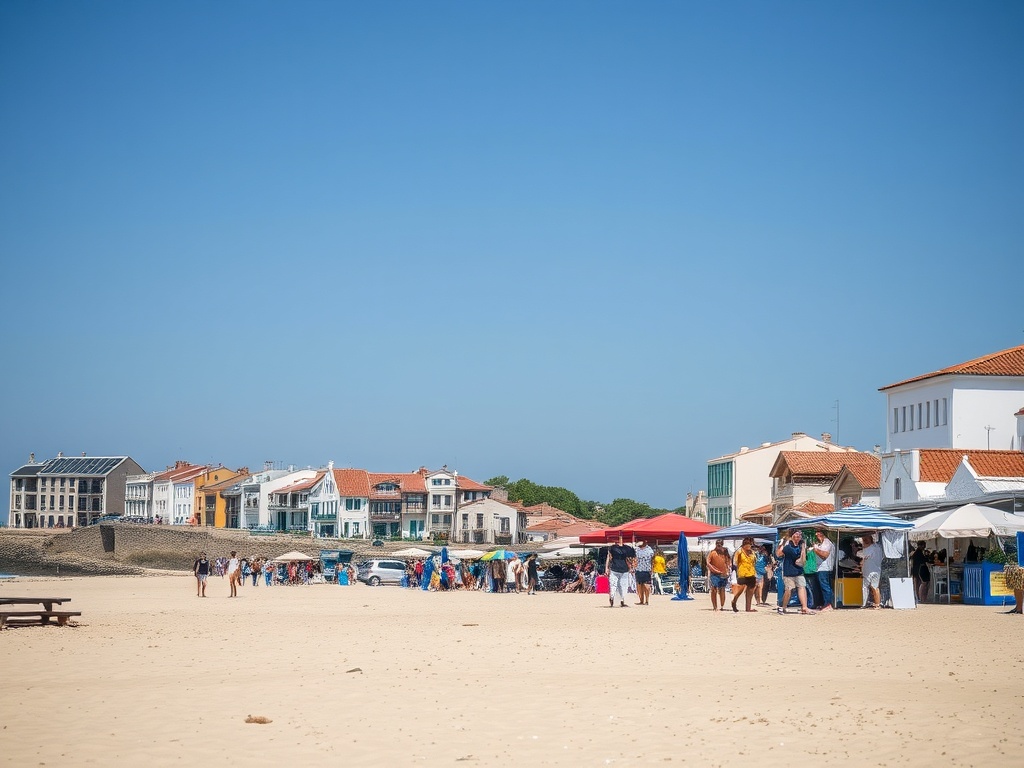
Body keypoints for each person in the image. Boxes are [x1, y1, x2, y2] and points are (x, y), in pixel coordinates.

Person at [776, 530, 812, 615]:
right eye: (796, 535)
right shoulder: (788, 545)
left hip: (799, 570)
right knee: (789, 589)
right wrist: (784, 543)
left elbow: (803, 559)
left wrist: (803, 547)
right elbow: (779, 554)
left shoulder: (801, 545)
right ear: (792, 536)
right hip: (788, 571)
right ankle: (783, 607)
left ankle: (804, 607)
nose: (797, 537)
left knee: (802, 587)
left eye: (799, 536)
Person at [604, 534, 635, 608]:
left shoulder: (613, 548)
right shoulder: (626, 548)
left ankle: (615, 598)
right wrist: (631, 567)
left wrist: (606, 568)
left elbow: (609, 558)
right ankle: (619, 599)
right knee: (621, 585)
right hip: (622, 569)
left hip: (617, 568)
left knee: (616, 585)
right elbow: (630, 559)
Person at [731, 537, 758, 613]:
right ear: (744, 545)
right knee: (741, 589)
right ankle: (734, 600)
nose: (749, 546)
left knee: (750, 591)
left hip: (751, 573)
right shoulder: (739, 552)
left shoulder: (752, 552)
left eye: (750, 544)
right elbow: (735, 562)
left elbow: (754, 562)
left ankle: (748, 608)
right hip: (742, 573)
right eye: (748, 544)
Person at [811, 530, 836, 611]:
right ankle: (825, 603)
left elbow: (824, 555)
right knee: (822, 587)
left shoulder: (827, 542)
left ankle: (829, 604)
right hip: (820, 568)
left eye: (818, 532)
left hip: (825, 568)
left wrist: (815, 549)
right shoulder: (822, 543)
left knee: (825, 587)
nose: (816, 534)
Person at [858, 534, 883, 608]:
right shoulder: (878, 547)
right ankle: (877, 604)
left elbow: (861, 555)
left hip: (868, 570)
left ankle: (864, 604)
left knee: (866, 587)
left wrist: (857, 551)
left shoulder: (868, 549)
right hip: (877, 569)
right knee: (875, 587)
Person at [706, 540, 731, 612]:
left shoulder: (725, 552)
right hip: (714, 574)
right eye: (717, 543)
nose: (718, 545)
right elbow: (708, 562)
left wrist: (728, 569)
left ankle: (722, 606)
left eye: (720, 544)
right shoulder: (712, 552)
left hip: (723, 573)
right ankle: (715, 607)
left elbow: (729, 561)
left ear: (722, 544)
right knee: (714, 589)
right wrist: (713, 569)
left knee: (722, 589)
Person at [633, 538, 655, 605]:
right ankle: (641, 600)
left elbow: (652, 560)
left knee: (646, 585)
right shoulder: (637, 549)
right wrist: (634, 567)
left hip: (646, 569)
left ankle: (647, 600)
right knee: (639, 585)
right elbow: (635, 559)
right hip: (638, 569)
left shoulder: (649, 550)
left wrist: (652, 569)